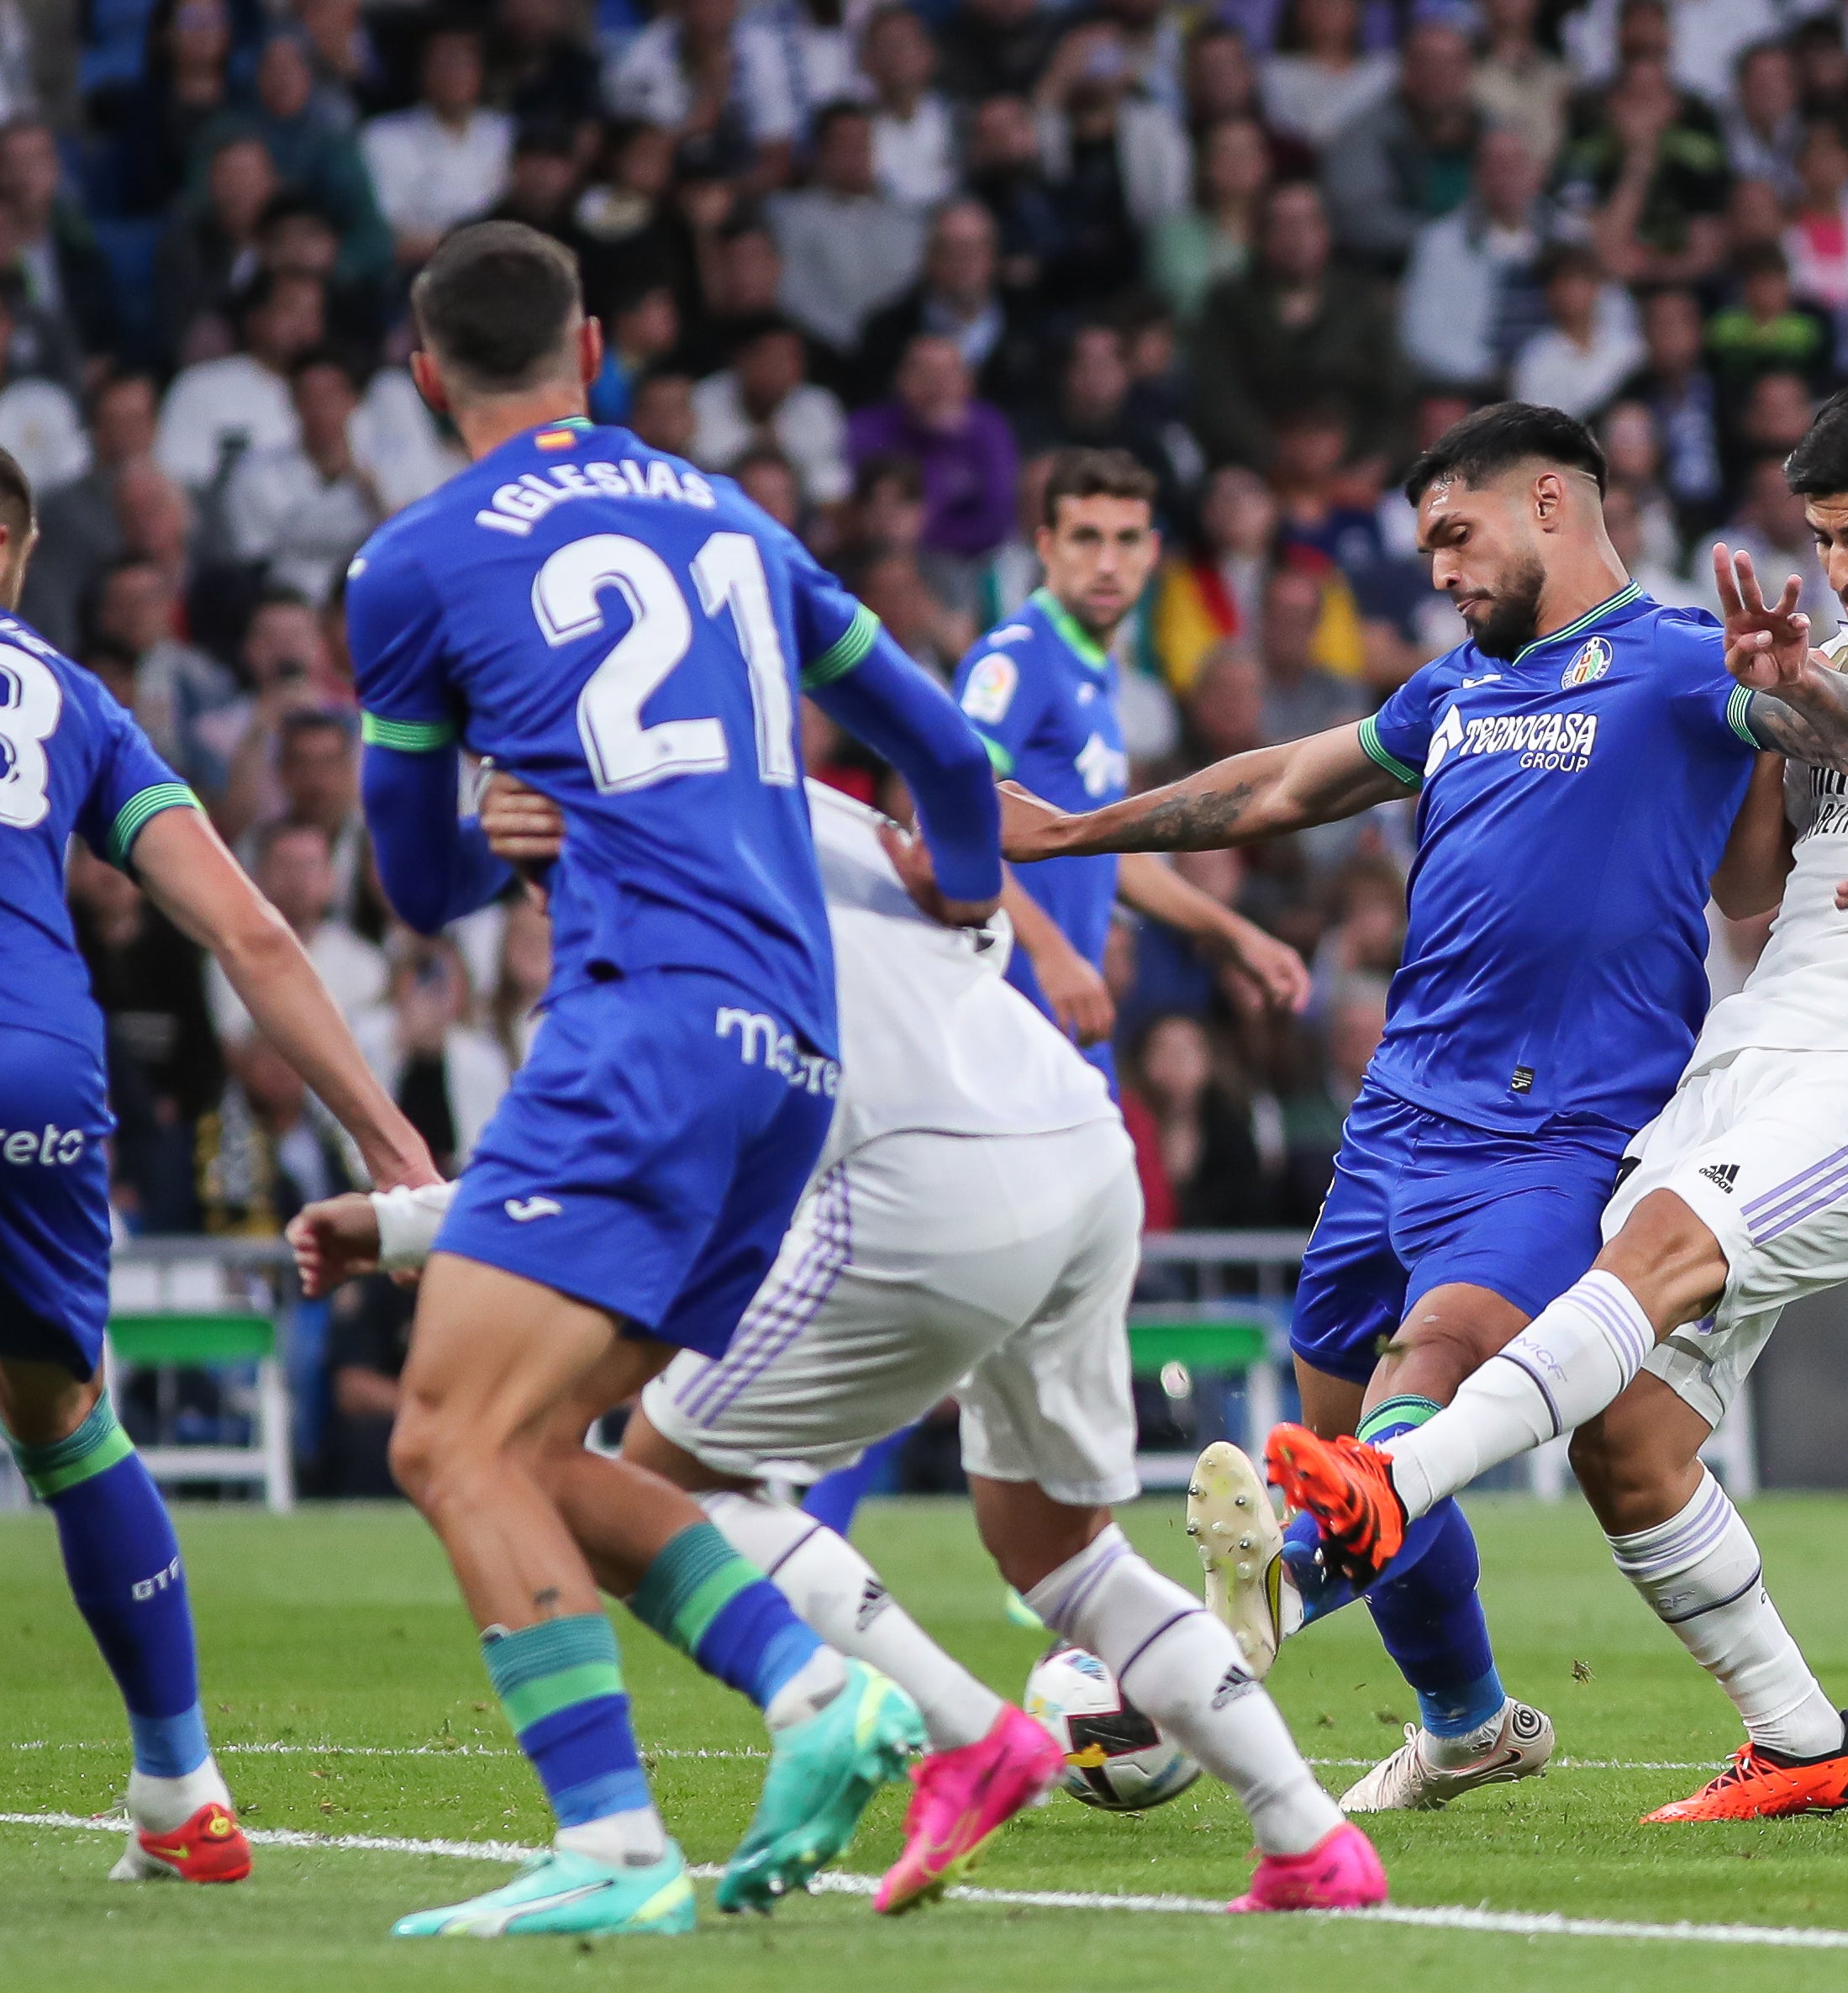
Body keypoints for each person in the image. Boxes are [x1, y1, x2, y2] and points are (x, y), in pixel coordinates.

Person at [1002, 401, 1848, 1811]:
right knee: (1344, 1421)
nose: (1436, 569)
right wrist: (1070, 830)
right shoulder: (1458, 690)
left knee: (1424, 1382)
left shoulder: (1682, 661)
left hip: (1559, 1132)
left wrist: (1806, 690)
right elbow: (1283, 781)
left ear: (1550, 504)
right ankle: (1469, 1720)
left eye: (1452, 536)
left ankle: (1245, 1616)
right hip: (1396, 1121)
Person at [292, 775, 1385, 1914]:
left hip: (923, 1174)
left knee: (654, 1481)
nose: (526, 891)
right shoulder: (807, 798)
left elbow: (635, 1147)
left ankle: (963, 1735)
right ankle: (1307, 1832)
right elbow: (969, 878)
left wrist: (406, 1219)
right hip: (1076, 1144)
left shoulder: (643, 878)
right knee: (1062, 1551)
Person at [1255, 380, 1848, 1821]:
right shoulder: (1823, 652)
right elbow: (1750, 885)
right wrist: (1775, 705)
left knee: (1638, 1268)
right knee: (1627, 1440)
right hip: (1749, 1055)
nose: (1841, 568)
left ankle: (1391, 1488)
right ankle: (1799, 1740)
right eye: (1823, 538)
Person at [342, 221, 1010, 1937]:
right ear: (597, 349)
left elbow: (413, 888)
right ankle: (811, 1695)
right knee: (542, 1445)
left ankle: (616, 1843)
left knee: (438, 1434)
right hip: (791, 1052)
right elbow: (944, 749)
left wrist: (499, 839)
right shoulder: (731, 514)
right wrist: (964, 885)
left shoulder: (412, 563)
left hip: (640, 1024)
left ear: (426, 377)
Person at [0, 441, 437, 1889]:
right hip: (45, 1080)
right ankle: (182, 1785)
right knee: (64, 1419)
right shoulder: (70, 698)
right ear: (19, 552)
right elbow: (249, 931)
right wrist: (389, 1138)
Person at [952, 449, 1310, 1089]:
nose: (1107, 563)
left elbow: (1104, 846)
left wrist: (1232, 932)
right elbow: (949, 820)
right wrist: (1051, 952)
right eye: (1086, 538)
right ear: (1046, 546)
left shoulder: (1098, 672)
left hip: (1069, 1025)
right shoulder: (1015, 660)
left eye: (1125, 541)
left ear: (1151, 552)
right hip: (1005, 1021)